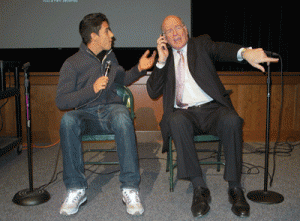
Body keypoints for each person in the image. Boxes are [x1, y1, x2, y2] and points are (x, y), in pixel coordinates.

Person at [146, 15, 279, 218]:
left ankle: (235, 188)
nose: (175, 33)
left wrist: (245, 53)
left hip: (213, 110)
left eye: (178, 28)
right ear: (163, 38)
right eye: (169, 31)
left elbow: (221, 49)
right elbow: (153, 91)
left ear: (185, 30)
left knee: (232, 120)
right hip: (184, 114)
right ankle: (199, 188)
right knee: (175, 120)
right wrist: (161, 61)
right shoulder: (165, 60)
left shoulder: (200, 44)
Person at [56, 13, 156, 216]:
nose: (112, 34)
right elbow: (62, 101)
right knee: (67, 120)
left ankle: (130, 188)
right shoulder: (72, 64)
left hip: (111, 110)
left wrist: (139, 68)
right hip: (85, 115)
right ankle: (76, 189)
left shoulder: (110, 57)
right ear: (93, 36)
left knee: (122, 115)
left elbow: (122, 79)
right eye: (107, 30)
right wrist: (90, 90)